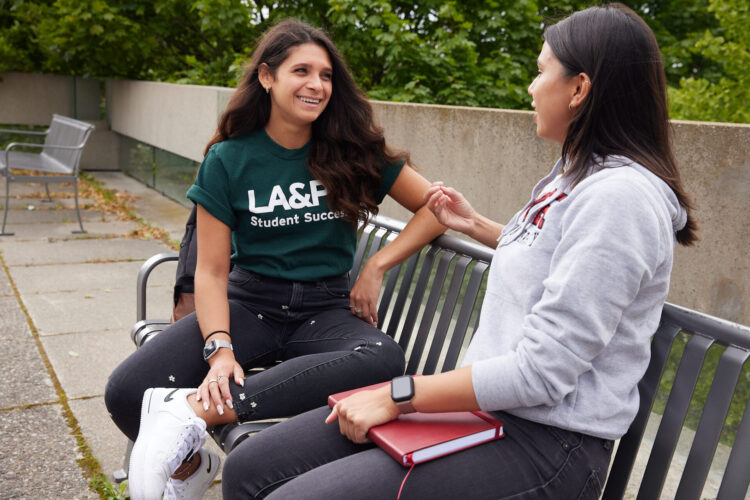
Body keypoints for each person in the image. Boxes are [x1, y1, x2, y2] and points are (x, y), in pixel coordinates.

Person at [218, 4, 699, 499]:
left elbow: (542, 373)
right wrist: (478, 226)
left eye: (540, 72)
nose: (531, 89)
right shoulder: (574, 177)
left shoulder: (619, 200)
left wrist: (400, 395)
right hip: (488, 410)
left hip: (548, 445)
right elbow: (556, 256)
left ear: (579, 89)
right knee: (250, 466)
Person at [104, 19, 446, 500]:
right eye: (301, 71)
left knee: (382, 358)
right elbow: (212, 270)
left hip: (324, 310)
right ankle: (191, 466)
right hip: (250, 305)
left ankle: (186, 411)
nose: (316, 85)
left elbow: (438, 208)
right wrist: (220, 350)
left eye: (326, 75)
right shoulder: (228, 158)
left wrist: (376, 265)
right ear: (267, 77)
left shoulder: (351, 148)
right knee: (125, 391)